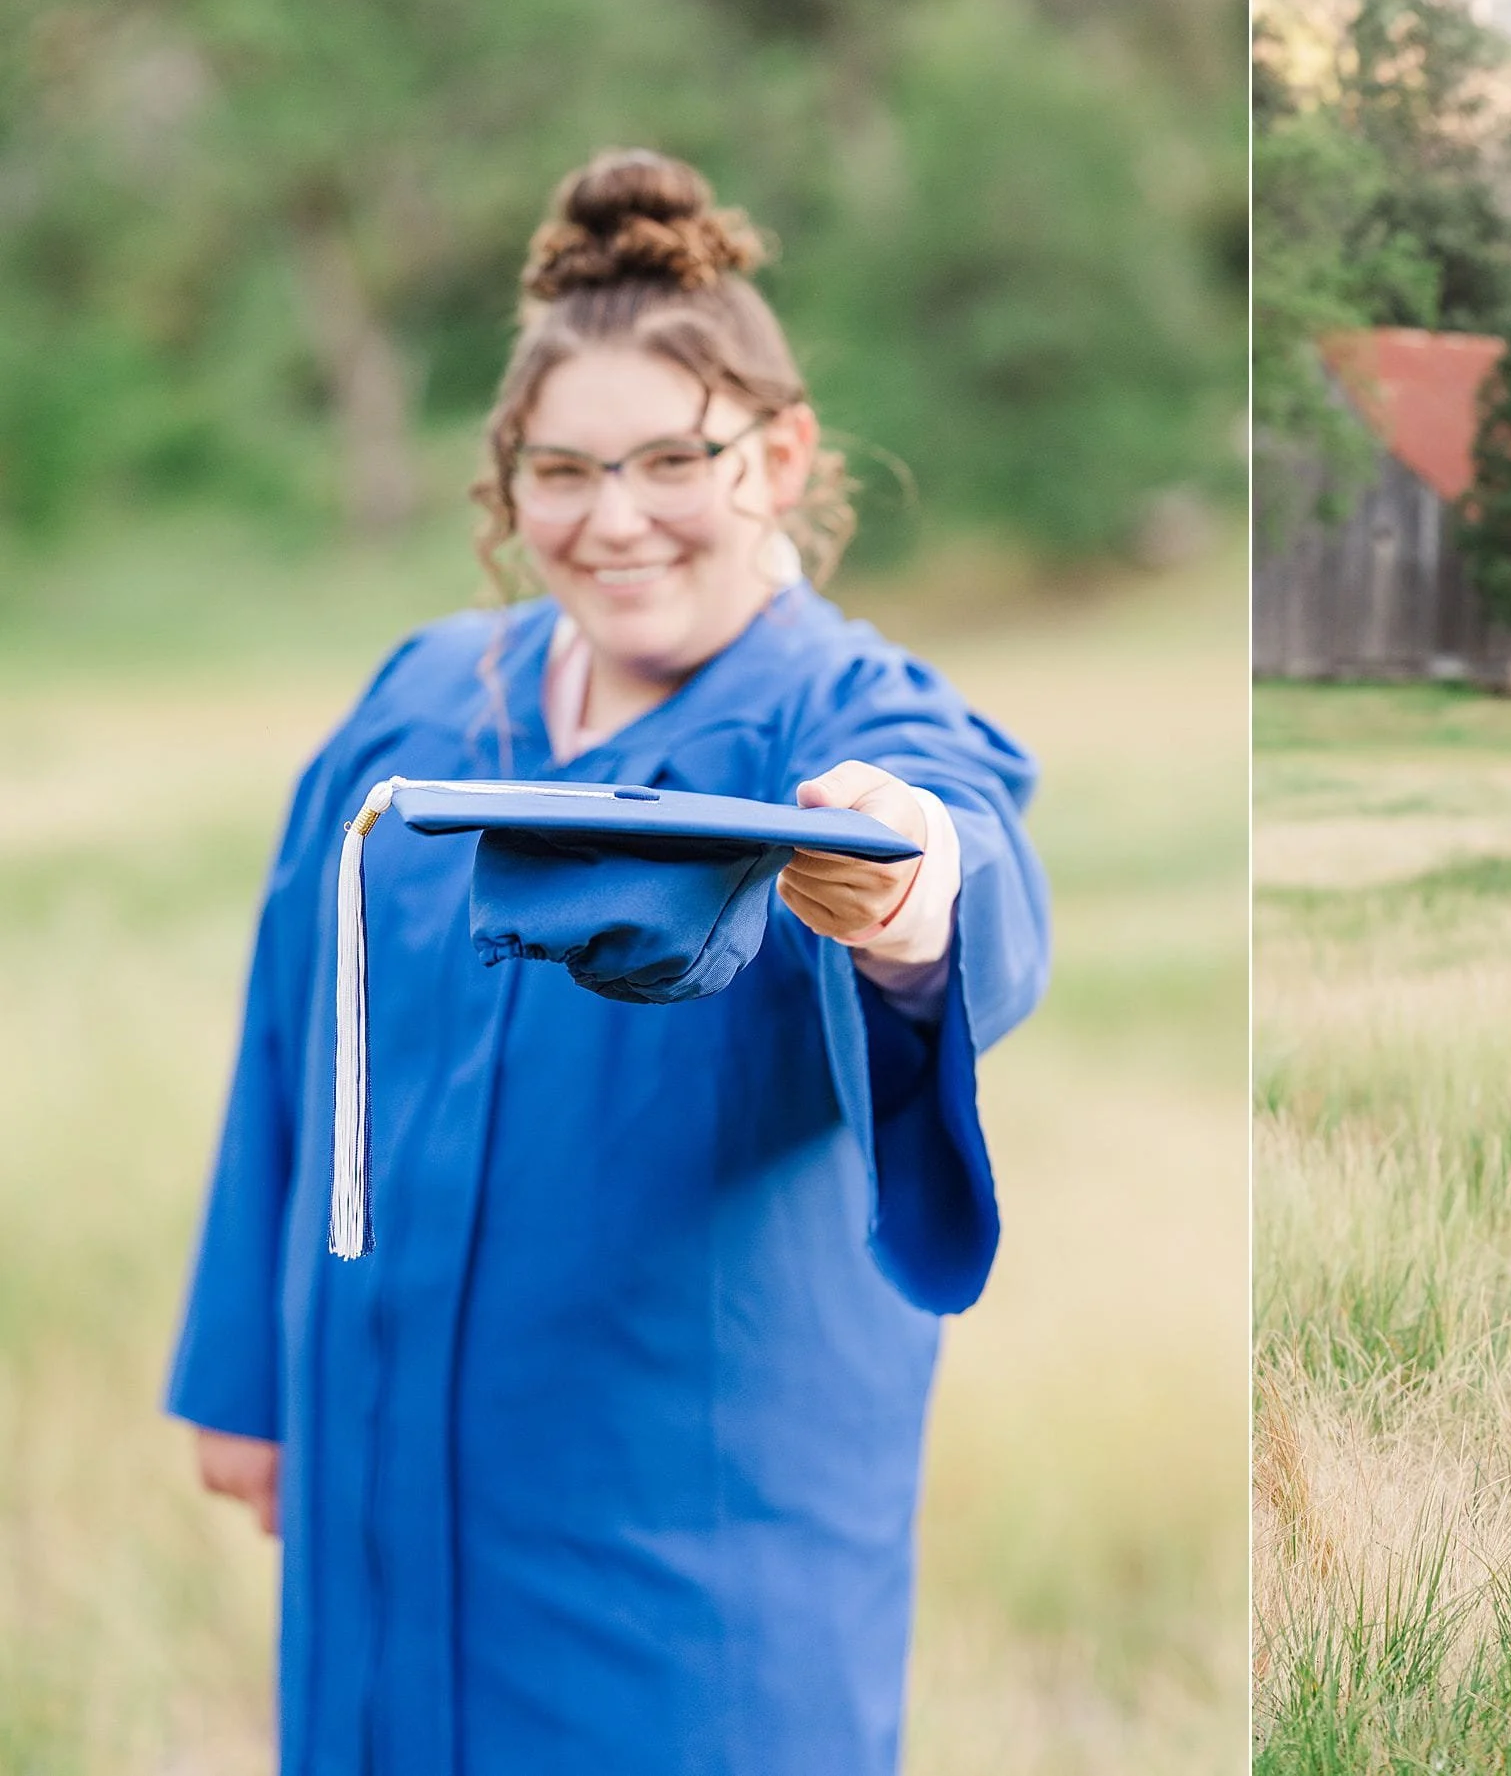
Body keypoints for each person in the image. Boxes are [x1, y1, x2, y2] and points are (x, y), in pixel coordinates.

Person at [165, 150, 1050, 1774]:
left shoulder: (841, 722)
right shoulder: (424, 701)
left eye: (669, 460)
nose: (612, 518)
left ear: (777, 455)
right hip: (388, 1456)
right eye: (559, 471)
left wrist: (911, 891)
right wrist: (244, 1361)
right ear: (505, 483)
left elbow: (960, 854)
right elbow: (294, 1033)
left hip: (685, 1513)